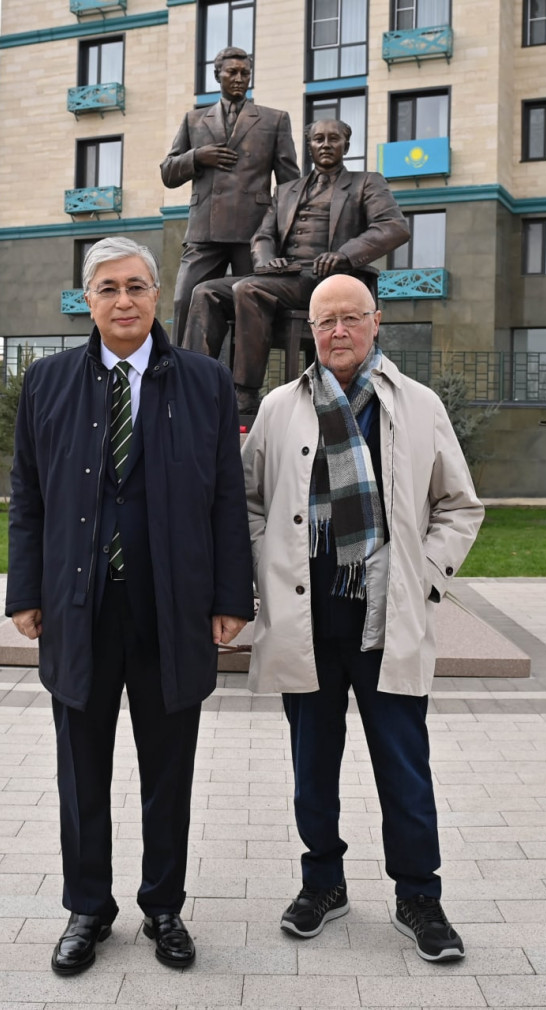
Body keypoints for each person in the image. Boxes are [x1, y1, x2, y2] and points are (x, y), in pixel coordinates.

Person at [6, 236, 254, 975]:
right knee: (81, 770)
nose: (124, 300)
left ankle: (163, 906)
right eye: (109, 288)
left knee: (168, 771)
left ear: (156, 294)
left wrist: (230, 595)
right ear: (88, 300)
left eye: (137, 286)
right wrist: (25, 591)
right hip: (78, 607)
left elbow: (226, 499)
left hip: (170, 609)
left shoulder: (206, 382)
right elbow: (27, 496)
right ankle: (88, 907)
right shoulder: (47, 382)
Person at [241, 274, 484, 961]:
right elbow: (248, 499)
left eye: (351, 317)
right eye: (326, 321)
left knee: (404, 769)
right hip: (307, 621)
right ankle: (322, 884)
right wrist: (264, 561)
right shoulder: (280, 407)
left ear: (377, 323)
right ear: (312, 332)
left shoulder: (418, 404)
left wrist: (426, 575)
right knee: (312, 768)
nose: (338, 331)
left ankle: (420, 896)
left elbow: (459, 506)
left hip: (387, 621)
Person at [182, 119, 410, 414]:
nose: (325, 144)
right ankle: (193, 382)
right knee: (205, 291)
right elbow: (263, 236)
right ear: (309, 146)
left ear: (346, 146)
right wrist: (266, 261)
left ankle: (245, 393)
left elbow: (394, 227)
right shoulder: (286, 190)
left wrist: (344, 254)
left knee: (248, 289)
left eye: (333, 139)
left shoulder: (366, 182)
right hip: (283, 277)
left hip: (329, 281)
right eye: (318, 139)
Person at [160, 46, 300, 346]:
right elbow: (168, 173)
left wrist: (283, 238)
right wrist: (197, 156)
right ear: (217, 75)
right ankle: (180, 366)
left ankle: (240, 375)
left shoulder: (274, 120)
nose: (239, 78)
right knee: (184, 299)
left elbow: (290, 185)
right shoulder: (194, 120)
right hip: (204, 231)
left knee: (248, 308)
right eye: (232, 72)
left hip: (253, 232)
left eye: (245, 73)